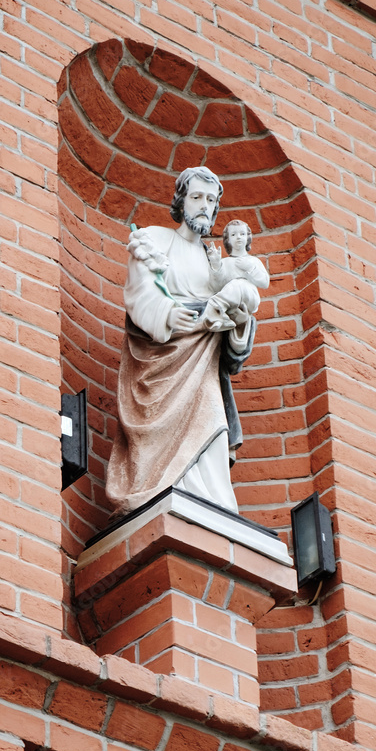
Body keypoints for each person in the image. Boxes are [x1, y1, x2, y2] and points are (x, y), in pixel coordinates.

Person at [105, 167, 257, 518]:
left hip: (205, 362)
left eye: (210, 199)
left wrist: (238, 324)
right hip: (164, 360)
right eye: (196, 197)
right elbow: (139, 292)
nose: (204, 205)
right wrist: (166, 314)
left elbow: (237, 319)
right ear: (182, 201)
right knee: (160, 433)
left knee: (211, 425)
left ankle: (212, 503)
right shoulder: (154, 240)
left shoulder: (215, 259)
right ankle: (155, 493)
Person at [202, 219, 269, 330]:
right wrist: (216, 264)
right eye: (233, 234)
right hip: (230, 304)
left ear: (248, 237)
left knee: (239, 283)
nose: (238, 237)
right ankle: (222, 318)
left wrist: (250, 268)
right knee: (235, 285)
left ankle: (214, 309)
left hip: (249, 298)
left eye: (242, 234)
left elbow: (265, 283)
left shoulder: (253, 261)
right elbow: (216, 287)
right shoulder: (225, 262)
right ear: (228, 240)